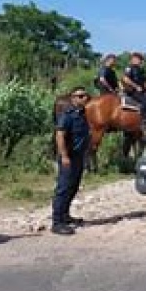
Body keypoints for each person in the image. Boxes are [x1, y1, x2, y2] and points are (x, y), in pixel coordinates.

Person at [51, 86, 91, 236]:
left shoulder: (82, 114)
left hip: (79, 156)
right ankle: (57, 222)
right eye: (79, 96)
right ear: (73, 98)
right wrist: (64, 156)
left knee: (73, 187)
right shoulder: (67, 115)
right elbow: (60, 136)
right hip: (69, 157)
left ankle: (65, 216)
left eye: (85, 95)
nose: (83, 98)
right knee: (63, 188)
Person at [123, 52, 146, 128]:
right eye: (138, 59)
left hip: (140, 91)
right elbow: (126, 79)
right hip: (132, 91)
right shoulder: (129, 68)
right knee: (145, 102)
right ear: (133, 59)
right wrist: (136, 86)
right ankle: (143, 122)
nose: (140, 61)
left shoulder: (140, 70)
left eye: (140, 60)